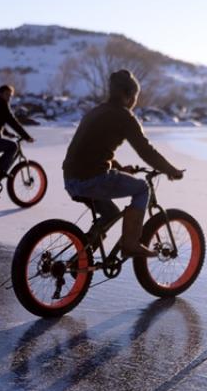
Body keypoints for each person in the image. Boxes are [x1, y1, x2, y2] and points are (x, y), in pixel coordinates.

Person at [62, 69, 184, 258]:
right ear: (128, 95)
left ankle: (82, 256)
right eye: (135, 97)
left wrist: (118, 168)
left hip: (71, 179)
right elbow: (146, 151)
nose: (135, 101)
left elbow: (93, 149)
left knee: (111, 213)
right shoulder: (124, 116)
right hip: (91, 179)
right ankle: (130, 244)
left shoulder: (97, 111)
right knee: (143, 188)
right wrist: (171, 170)